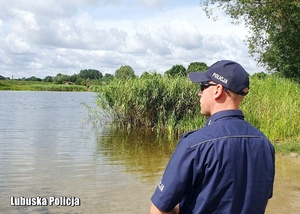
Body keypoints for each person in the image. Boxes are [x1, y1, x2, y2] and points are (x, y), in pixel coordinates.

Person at [150, 60, 275, 214]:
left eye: (203, 86)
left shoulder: (194, 144)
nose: (199, 92)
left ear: (217, 90)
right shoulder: (265, 144)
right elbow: (257, 198)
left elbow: (158, 210)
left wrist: (177, 209)